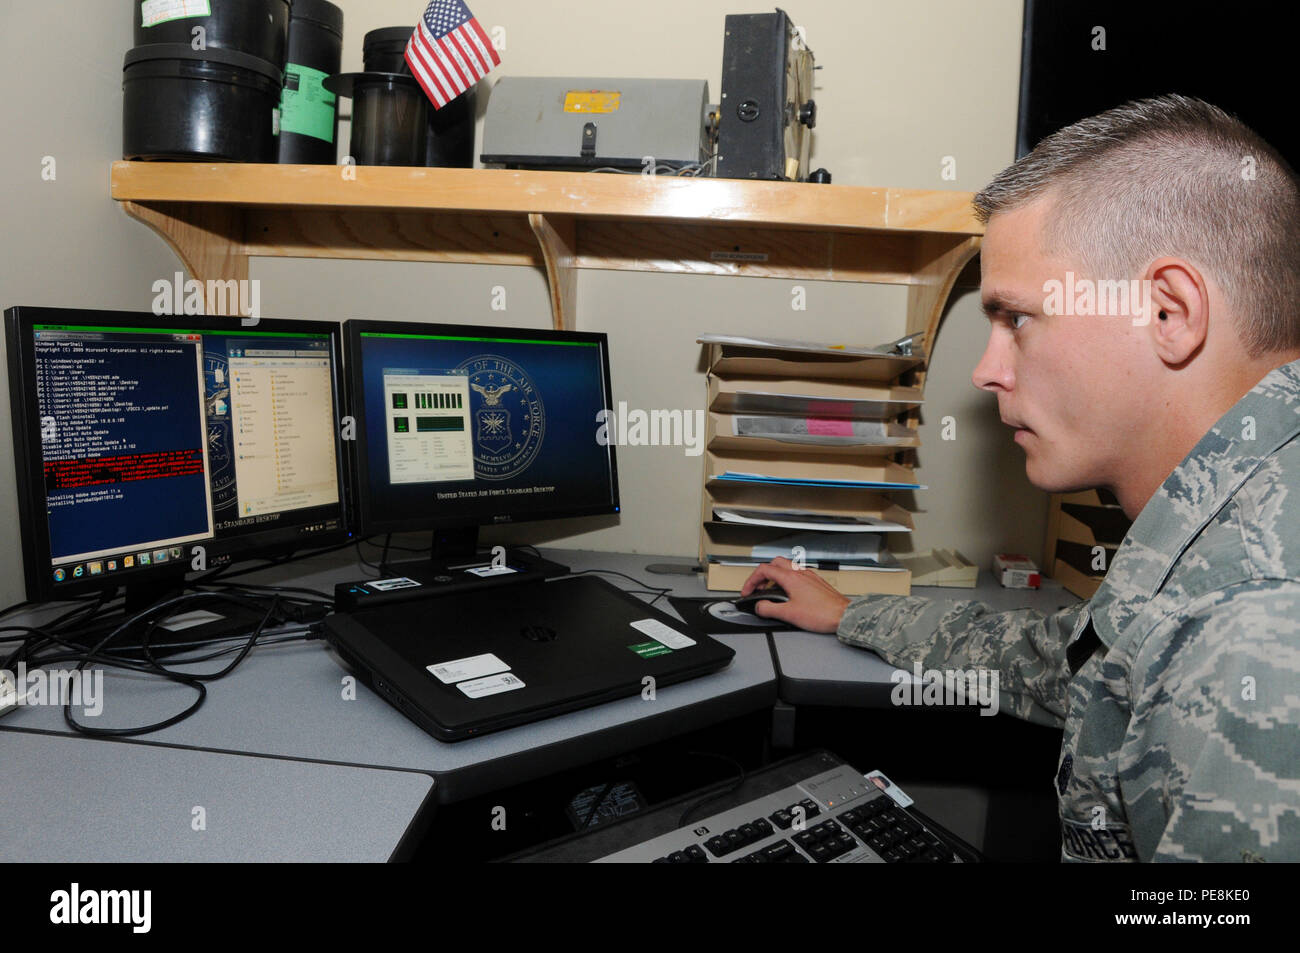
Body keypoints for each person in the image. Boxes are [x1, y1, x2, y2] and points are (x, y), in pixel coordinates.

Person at [742, 95, 1300, 862]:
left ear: (1170, 313)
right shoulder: (1235, 525)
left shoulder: (1252, 627)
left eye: (1017, 318)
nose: (986, 369)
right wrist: (851, 616)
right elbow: (1065, 661)